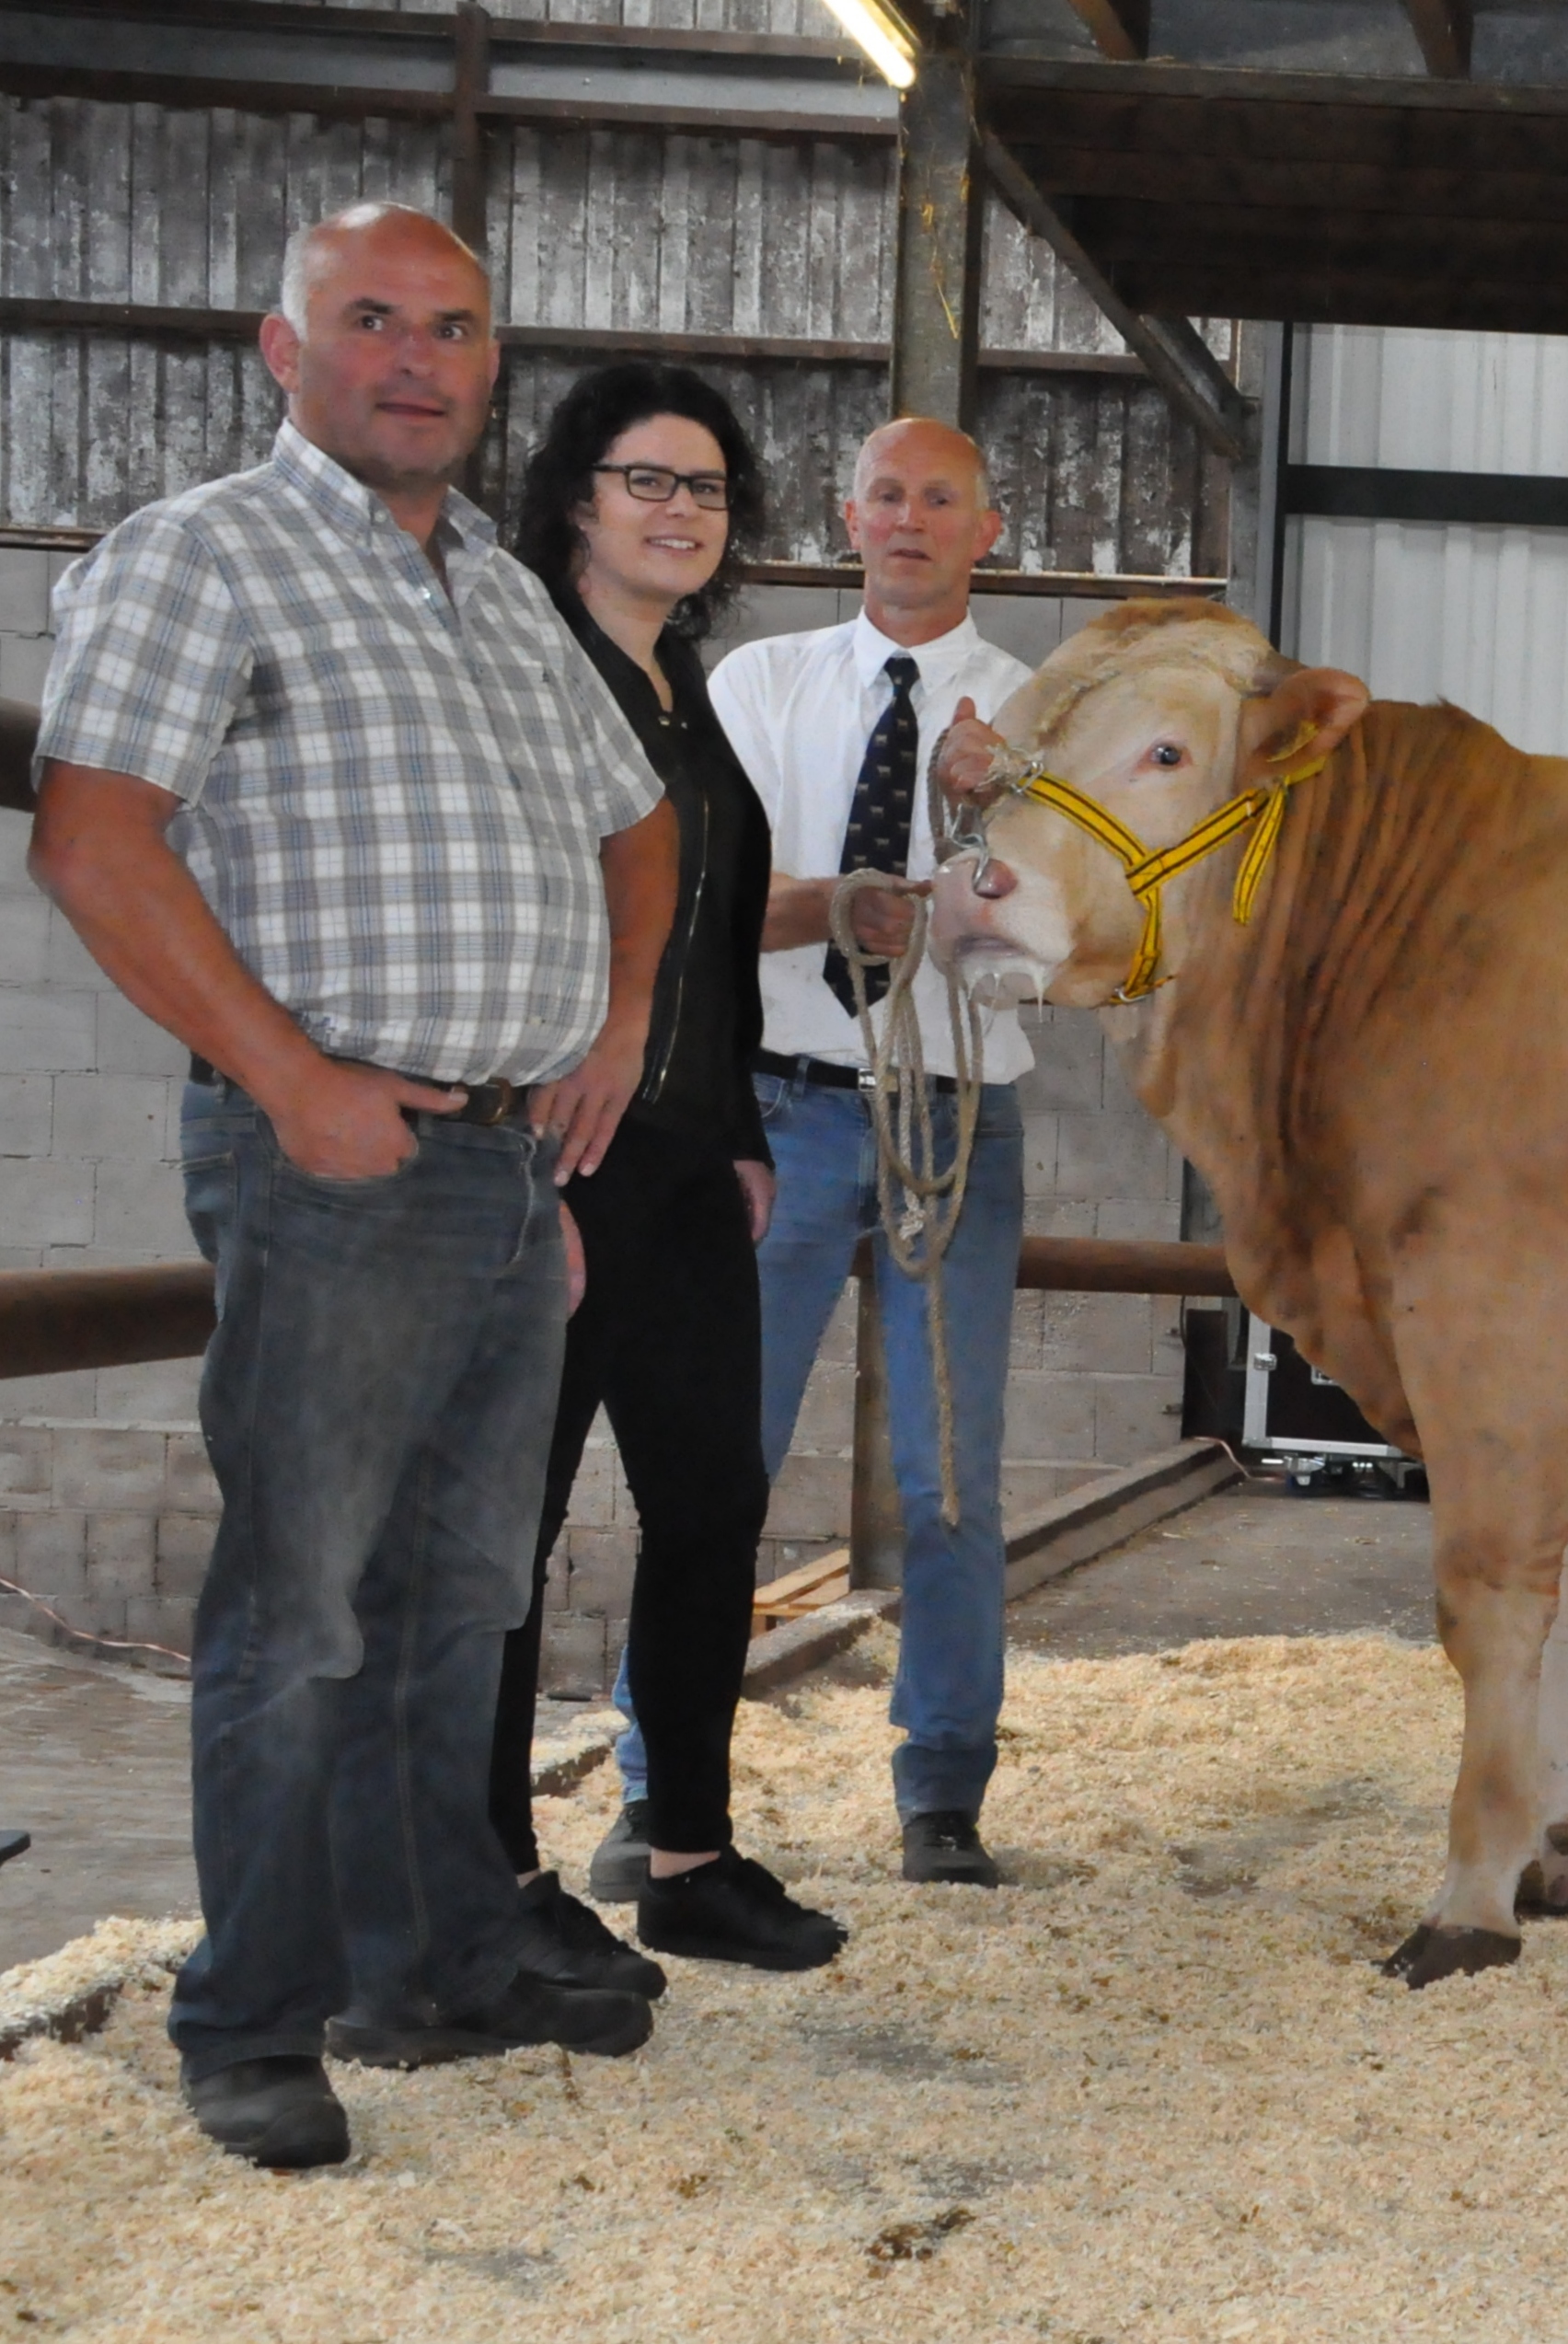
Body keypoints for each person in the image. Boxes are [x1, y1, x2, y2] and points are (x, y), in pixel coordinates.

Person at [28, 202, 675, 2169]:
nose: (417, 357)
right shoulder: (203, 551)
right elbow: (90, 838)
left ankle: (430, 1959)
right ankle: (250, 2011)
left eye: (453, 327)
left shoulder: (486, 576)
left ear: (491, 367)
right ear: (280, 345)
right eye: (371, 319)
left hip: (495, 1159)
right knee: (301, 1608)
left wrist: (619, 1019)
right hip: (334, 1153)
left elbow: (638, 822)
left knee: (463, 1594)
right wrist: (287, 1075)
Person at [588, 416, 1035, 1895]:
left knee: (949, 1474)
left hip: (949, 1114)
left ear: (988, 529)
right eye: (888, 494)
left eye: (942, 500)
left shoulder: (1038, 722)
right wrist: (845, 901)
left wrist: (981, 832)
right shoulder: (752, 687)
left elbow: (1046, 960)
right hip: (775, 1106)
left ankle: (944, 1797)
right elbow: (701, 896)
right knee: (714, 1458)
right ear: (851, 518)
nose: (910, 520)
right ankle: (658, 1792)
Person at [493, 363, 845, 1982]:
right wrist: (523, 1169)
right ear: (576, 497)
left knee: (713, 1499)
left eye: (704, 489)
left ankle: (687, 1851)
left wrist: (746, 1128)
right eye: (649, 481)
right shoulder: (520, 664)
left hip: (692, 1162)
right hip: (555, 1159)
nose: (680, 511)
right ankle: (490, 1873)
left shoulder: (676, 688)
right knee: (517, 1519)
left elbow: (701, 945)